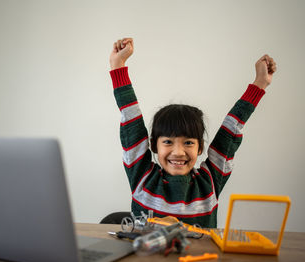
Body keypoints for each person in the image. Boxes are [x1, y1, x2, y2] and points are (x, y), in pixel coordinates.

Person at [109, 38, 276, 228]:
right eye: (168, 142)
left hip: (201, 259)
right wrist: (118, 65)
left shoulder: (210, 180)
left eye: (188, 142)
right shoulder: (142, 177)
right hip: (147, 256)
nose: (178, 152)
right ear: (154, 145)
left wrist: (260, 83)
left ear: (200, 148)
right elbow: (131, 120)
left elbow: (230, 131)